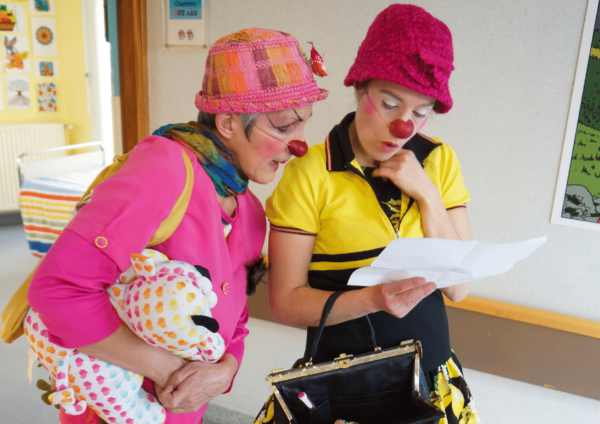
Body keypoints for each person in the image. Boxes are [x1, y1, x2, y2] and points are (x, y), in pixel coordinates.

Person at [27, 27, 327, 424]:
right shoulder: (164, 169)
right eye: (285, 126)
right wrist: (168, 370)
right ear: (227, 123)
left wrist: (223, 373)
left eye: (303, 124)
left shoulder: (250, 211)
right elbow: (57, 290)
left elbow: (234, 325)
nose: (300, 145)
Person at [263, 5, 480, 424]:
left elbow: (460, 288)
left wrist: (427, 195)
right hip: (346, 390)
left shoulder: (438, 161)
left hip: (431, 379)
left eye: (420, 112)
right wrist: (372, 300)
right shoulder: (309, 174)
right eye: (389, 103)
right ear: (360, 88)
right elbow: (285, 304)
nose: (403, 126)